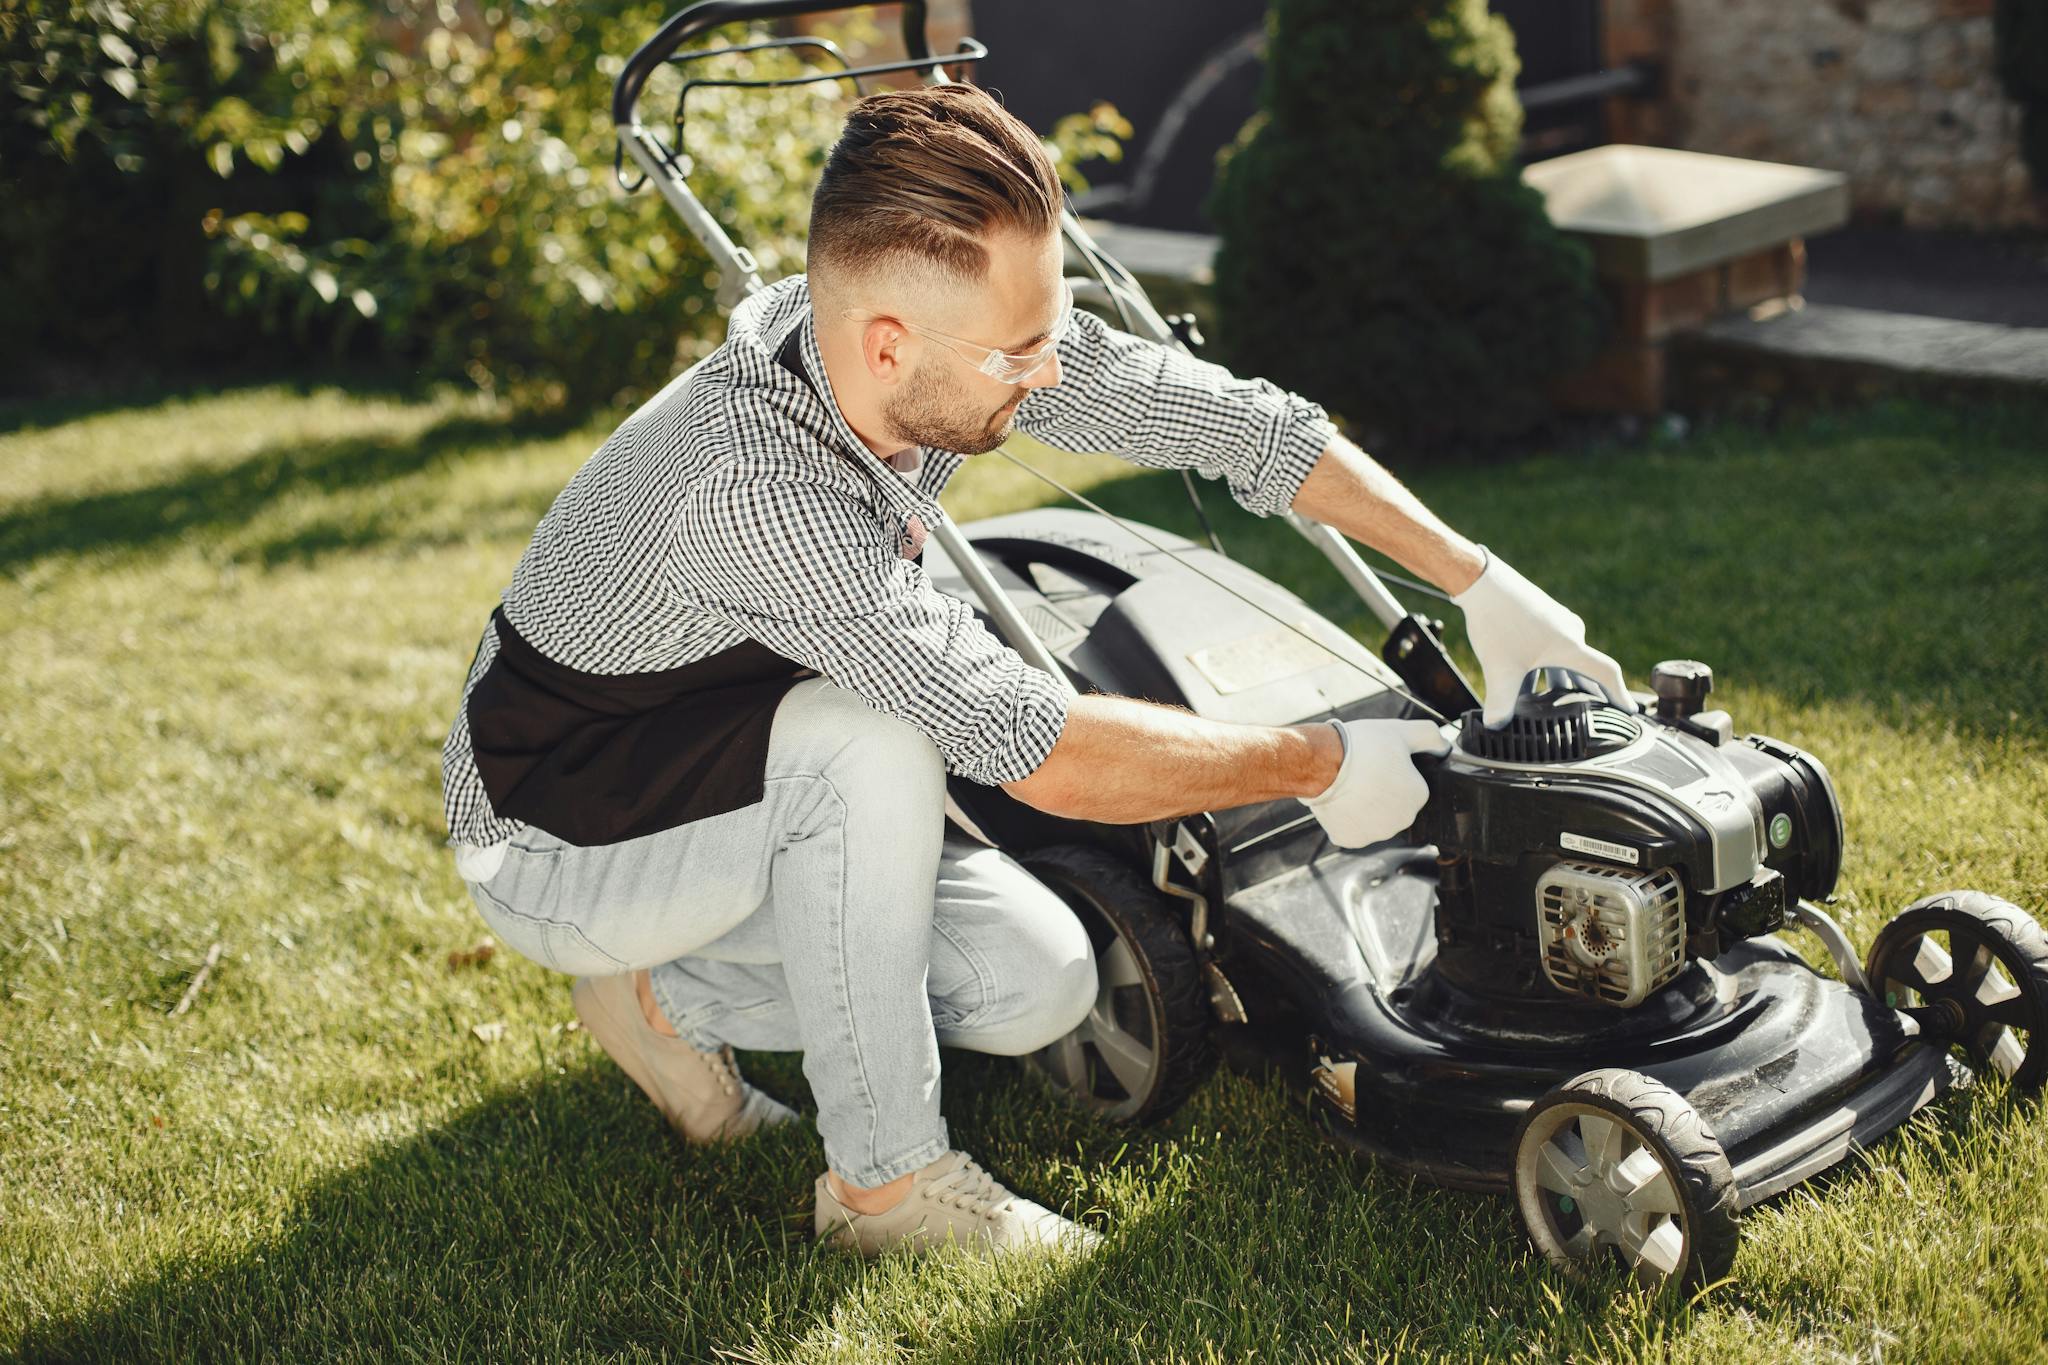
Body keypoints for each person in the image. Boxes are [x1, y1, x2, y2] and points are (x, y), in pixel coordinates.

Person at [439, 83, 1632, 1260]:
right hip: (559, 825)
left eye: (1047, 333)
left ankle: (661, 1000)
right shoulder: (752, 486)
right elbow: (1041, 751)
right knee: (873, 743)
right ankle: (886, 1194)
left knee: (1039, 983)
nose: (1049, 373)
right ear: (889, 343)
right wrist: (1317, 764)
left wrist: (1477, 582)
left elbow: (1231, 423)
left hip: (730, 759)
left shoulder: (905, 354)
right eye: (1019, 355)